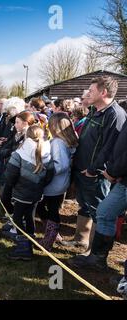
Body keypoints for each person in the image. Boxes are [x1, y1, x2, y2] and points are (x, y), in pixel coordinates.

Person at [62, 77, 127, 252]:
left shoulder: (115, 115)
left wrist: (93, 170)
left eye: (91, 91)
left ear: (103, 92)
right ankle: (80, 239)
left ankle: (93, 251)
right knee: (84, 205)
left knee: (99, 211)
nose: (87, 93)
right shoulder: (94, 110)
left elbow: (110, 148)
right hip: (82, 169)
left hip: (95, 175)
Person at [68, 119, 127, 269]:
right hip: (122, 177)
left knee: (104, 211)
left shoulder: (114, 115)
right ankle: (98, 258)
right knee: (105, 213)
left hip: (119, 175)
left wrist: (113, 171)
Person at [5, 125, 54, 260]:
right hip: (36, 193)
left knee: (17, 218)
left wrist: (13, 186)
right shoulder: (47, 151)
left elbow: (10, 174)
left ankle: (24, 248)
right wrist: (40, 185)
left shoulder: (20, 152)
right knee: (29, 217)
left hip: (21, 192)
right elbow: (50, 173)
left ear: (27, 136)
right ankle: (29, 241)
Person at [37, 113, 78, 252]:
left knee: (44, 207)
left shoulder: (58, 143)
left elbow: (61, 165)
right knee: (49, 208)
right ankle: (54, 235)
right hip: (61, 182)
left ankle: (50, 238)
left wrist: (44, 169)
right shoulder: (68, 140)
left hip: (54, 183)